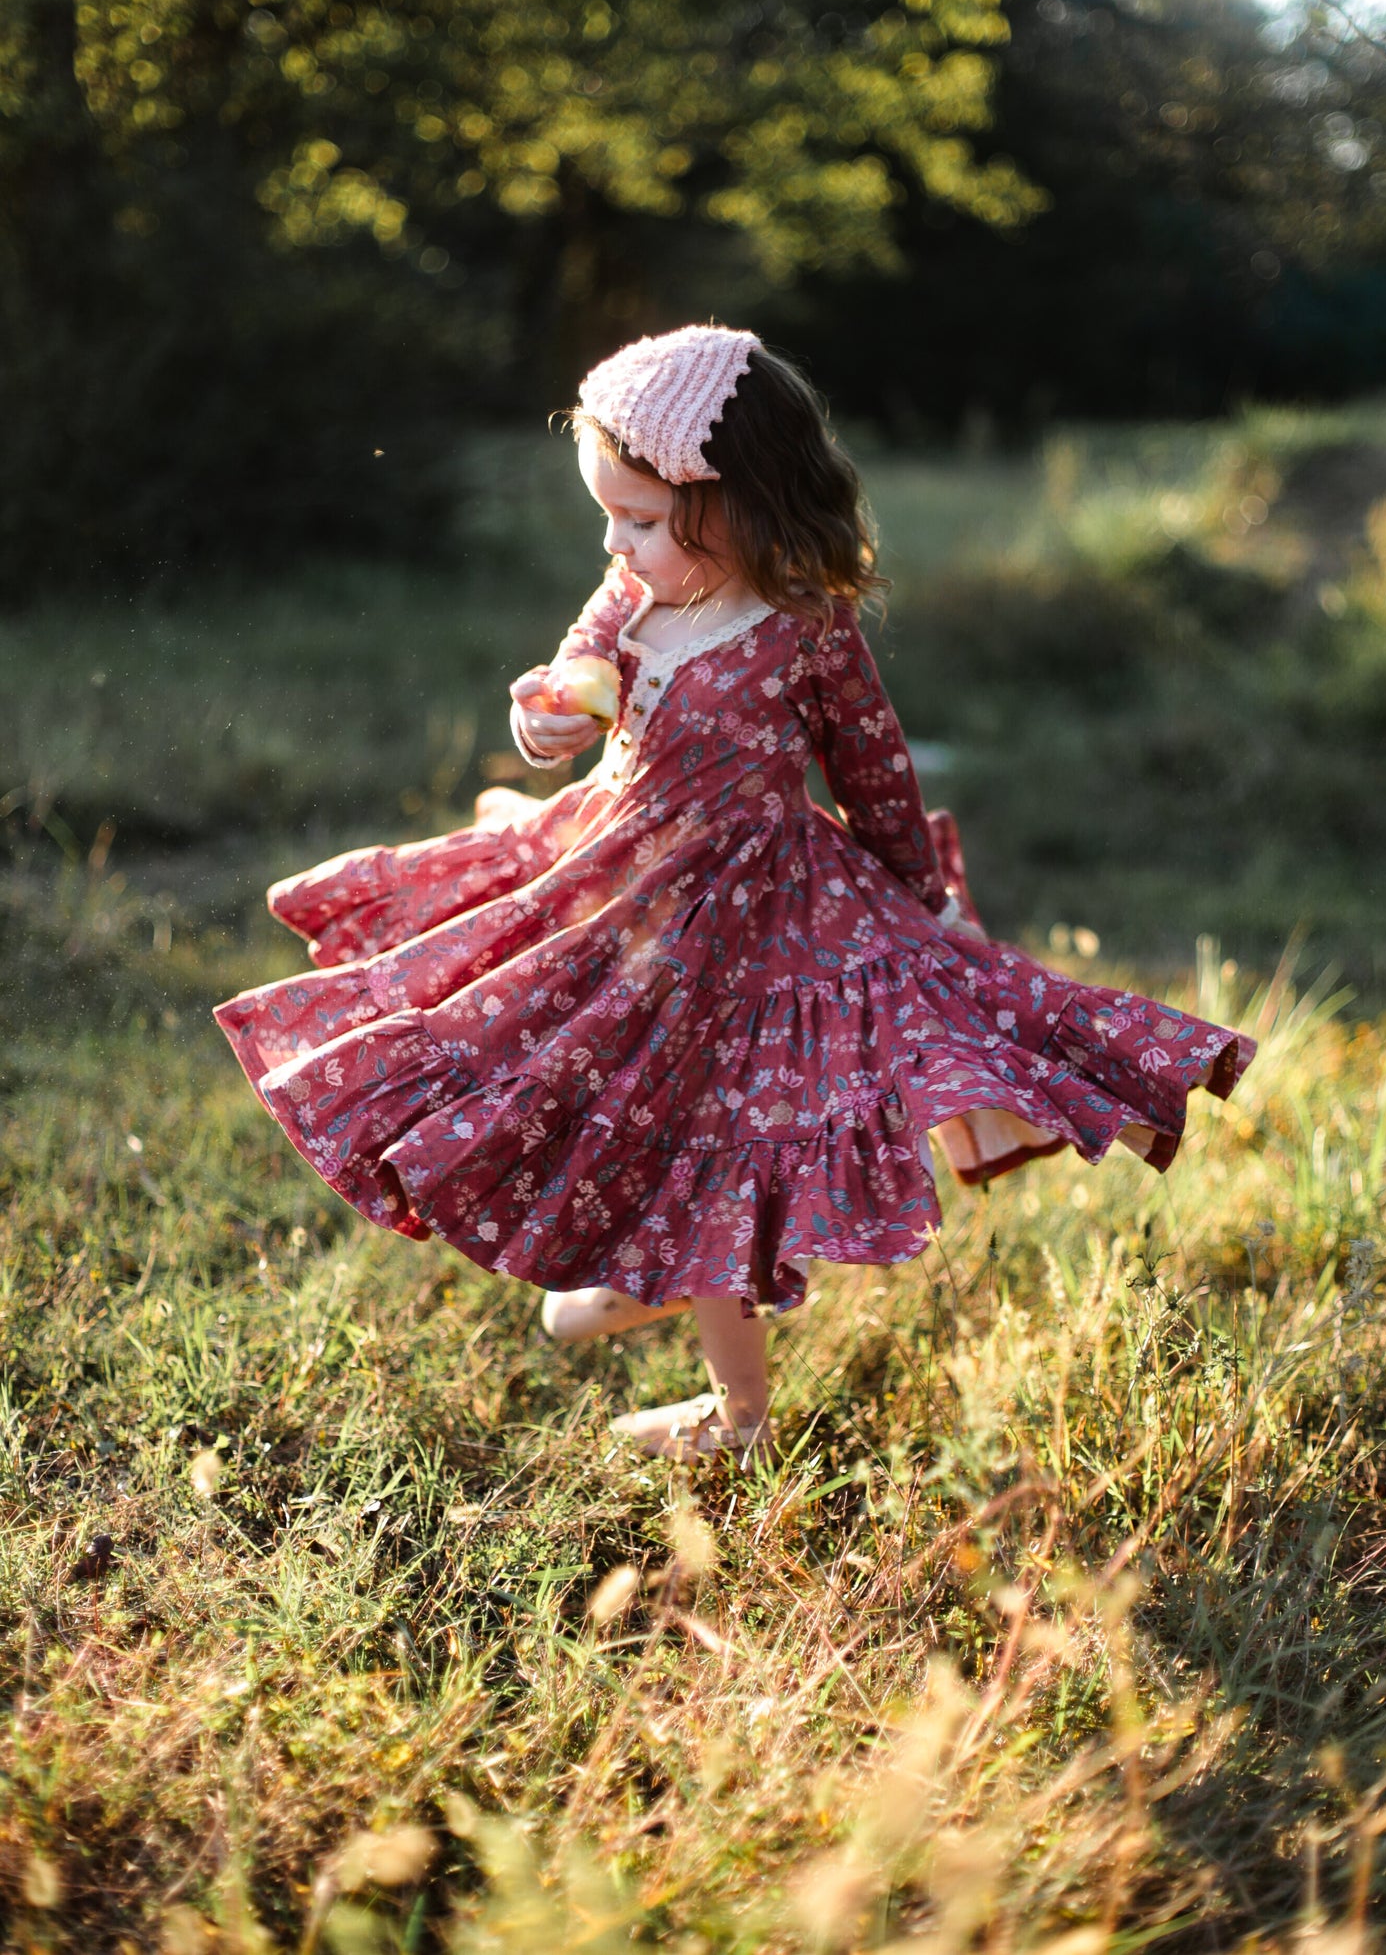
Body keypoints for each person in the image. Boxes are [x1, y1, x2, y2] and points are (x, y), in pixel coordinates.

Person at [215, 325, 1254, 1465]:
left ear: (742, 501)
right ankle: (636, 1276)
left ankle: (736, 1415)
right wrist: (543, 717)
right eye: (609, 518)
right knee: (584, 1084)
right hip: (613, 892)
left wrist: (924, 900)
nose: (618, 543)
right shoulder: (631, 596)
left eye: (644, 521)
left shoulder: (804, 630)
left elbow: (874, 772)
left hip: (748, 925)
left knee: (708, 1141)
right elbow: (565, 694)